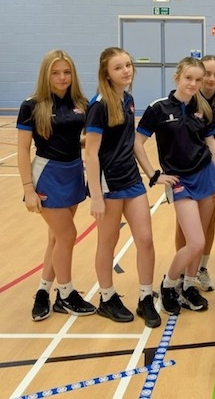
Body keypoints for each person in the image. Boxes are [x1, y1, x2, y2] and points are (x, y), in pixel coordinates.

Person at [134, 57, 215, 315]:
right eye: (189, 78)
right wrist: (154, 175)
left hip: (206, 176)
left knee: (202, 234)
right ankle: (168, 284)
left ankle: (188, 285)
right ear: (177, 77)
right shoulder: (158, 108)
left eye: (198, 79)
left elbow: (211, 143)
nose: (194, 84)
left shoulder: (204, 108)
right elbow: (137, 143)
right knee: (195, 241)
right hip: (179, 181)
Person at [17, 49, 96, 321]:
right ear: (46, 74)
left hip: (74, 172)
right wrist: (28, 189)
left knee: (56, 238)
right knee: (66, 235)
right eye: (56, 72)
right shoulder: (32, 105)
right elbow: (22, 150)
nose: (62, 77)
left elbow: (80, 139)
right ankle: (66, 294)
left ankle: (43, 291)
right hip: (47, 174)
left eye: (66, 72)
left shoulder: (80, 103)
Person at [85, 47, 160, 328]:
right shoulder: (99, 104)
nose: (126, 71)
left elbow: (131, 142)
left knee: (146, 240)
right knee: (107, 242)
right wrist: (96, 197)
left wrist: (151, 173)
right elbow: (90, 154)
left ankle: (145, 298)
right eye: (119, 67)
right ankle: (107, 297)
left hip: (132, 180)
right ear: (107, 72)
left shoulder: (127, 98)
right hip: (109, 184)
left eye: (128, 65)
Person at [175, 55, 215, 290]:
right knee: (183, 226)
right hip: (185, 172)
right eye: (208, 74)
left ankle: (200, 268)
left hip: (211, 170)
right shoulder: (186, 99)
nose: (211, 79)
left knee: (209, 222)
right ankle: (183, 270)